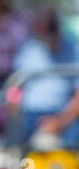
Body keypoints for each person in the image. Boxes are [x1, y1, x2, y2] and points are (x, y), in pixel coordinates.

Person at [13, 7, 79, 149]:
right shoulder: (28, 50)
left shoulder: (74, 50)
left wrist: (59, 122)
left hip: (64, 114)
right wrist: (14, 118)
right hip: (30, 115)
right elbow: (14, 89)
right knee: (20, 143)